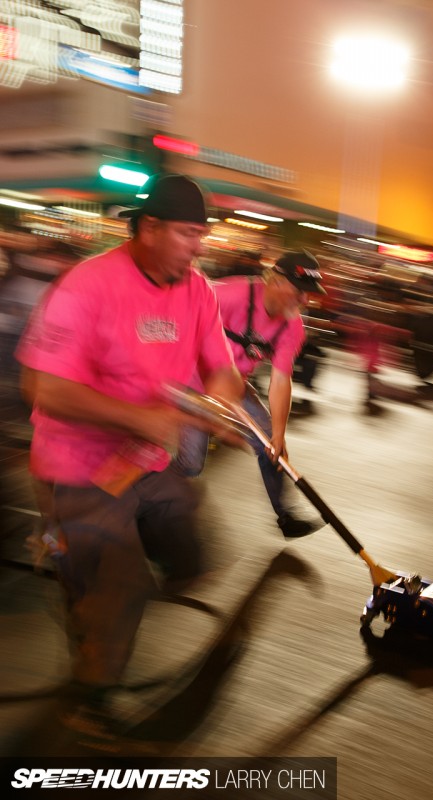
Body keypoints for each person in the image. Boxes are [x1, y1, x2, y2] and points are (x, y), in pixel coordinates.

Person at [15, 174, 244, 741]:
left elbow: (223, 367)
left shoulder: (197, 290)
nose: (198, 247)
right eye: (188, 234)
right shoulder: (86, 286)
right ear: (149, 228)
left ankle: (86, 570)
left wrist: (219, 405)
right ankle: (88, 701)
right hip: (78, 467)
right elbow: (43, 389)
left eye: (202, 235)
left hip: (147, 462)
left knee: (191, 543)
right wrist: (141, 418)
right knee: (118, 588)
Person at [175, 250, 327, 538]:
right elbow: (181, 319)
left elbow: (281, 379)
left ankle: (286, 516)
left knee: (271, 445)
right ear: (277, 281)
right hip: (191, 381)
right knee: (191, 464)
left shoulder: (292, 326)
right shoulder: (230, 295)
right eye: (300, 291)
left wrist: (279, 434)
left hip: (234, 386)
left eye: (308, 294)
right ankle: (149, 500)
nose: (305, 300)